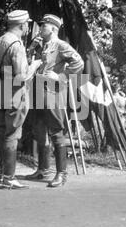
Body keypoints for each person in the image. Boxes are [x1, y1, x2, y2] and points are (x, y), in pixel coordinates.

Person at [25, 14, 84, 188]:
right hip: (37, 93)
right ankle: (43, 169)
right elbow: (29, 64)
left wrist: (61, 76)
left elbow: (79, 62)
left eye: (44, 26)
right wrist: (31, 48)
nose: (41, 28)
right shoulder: (40, 45)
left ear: (53, 28)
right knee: (39, 132)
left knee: (57, 133)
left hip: (53, 94)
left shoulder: (61, 46)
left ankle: (61, 173)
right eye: (41, 25)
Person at [0, 10, 42, 189]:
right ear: (22, 25)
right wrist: (34, 65)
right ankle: (9, 178)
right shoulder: (16, 45)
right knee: (12, 134)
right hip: (14, 92)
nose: (28, 27)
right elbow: (21, 76)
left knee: (2, 133)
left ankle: (3, 175)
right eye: (27, 24)